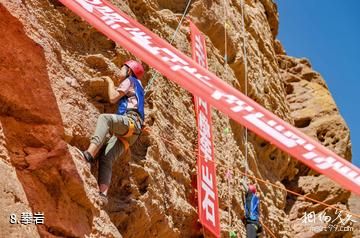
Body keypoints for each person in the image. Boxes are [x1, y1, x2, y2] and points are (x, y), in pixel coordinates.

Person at [76, 60, 145, 204]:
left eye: (122, 68)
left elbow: (113, 98)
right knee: (107, 158)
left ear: (129, 71)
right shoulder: (140, 88)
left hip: (130, 122)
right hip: (134, 134)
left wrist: (108, 81)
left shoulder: (130, 80)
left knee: (104, 119)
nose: (119, 71)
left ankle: (89, 154)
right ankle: (103, 194)